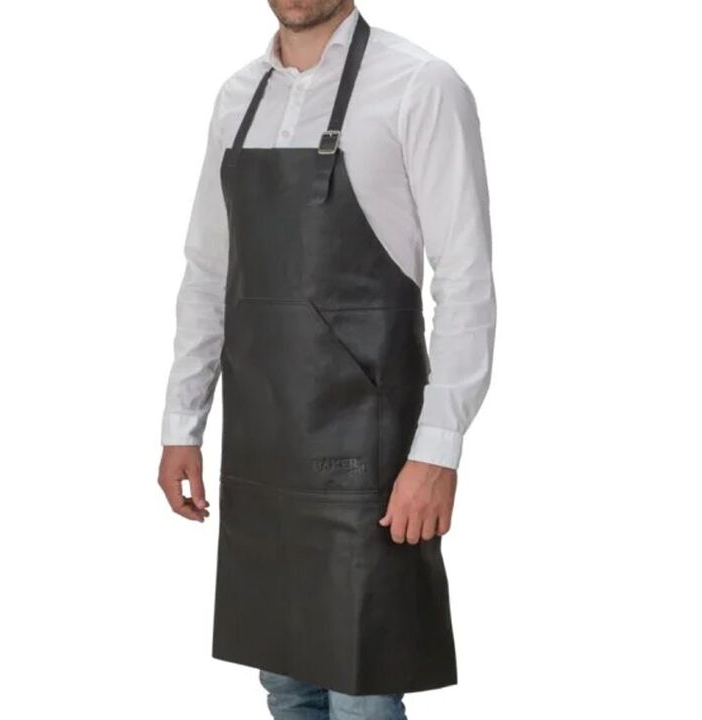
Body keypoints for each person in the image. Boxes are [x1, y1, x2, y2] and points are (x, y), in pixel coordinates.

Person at [158, 2, 495, 717]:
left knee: (360, 694)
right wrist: (181, 424)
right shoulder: (237, 97)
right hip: (263, 448)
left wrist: (437, 451)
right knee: (286, 688)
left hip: (369, 456)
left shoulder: (420, 85)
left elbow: (466, 281)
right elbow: (209, 272)